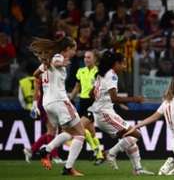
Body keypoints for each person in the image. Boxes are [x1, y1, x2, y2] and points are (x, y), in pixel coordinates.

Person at [88, 51, 153, 175]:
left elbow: (91, 94)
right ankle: (110, 153)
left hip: (102, 112)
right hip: (105, 113)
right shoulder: (111, 75)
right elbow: (114, 98)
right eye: (122, 64)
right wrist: (134, 99)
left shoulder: (100, 74)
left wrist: (102, 99)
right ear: (115, 64)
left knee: (129, 138)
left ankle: (137, 169)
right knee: (136, 135)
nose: (124, 66)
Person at [29, 36, 85, 176]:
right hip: (60, 102)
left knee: (69, 132)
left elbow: (36, 74)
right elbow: (58, 61)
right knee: (81, 134)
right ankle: (68, 168)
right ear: (67, 49)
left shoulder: (48, 61)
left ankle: (46, 150)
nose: (74, 52)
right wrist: (61, 63)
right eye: (74, 49)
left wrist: (45, 64)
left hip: (47, 104)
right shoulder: (57, 57)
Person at [69, 50, 105, 165]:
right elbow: (77, 87)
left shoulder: (99, 72)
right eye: (85, 57)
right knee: (90, 131)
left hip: (93, 103)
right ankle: (99, 154)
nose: (86, 59)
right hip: (81, 102)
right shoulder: (81, 71)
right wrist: (69, 99)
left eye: (89, 57)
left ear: (95, 59)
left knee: (79, 126)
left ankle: (96, 151)